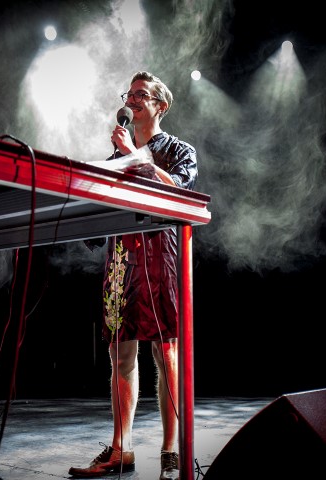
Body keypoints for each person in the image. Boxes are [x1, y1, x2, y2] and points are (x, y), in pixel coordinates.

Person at [68, 71, 198, 480]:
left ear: (161, 105)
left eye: (142, 94)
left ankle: (171, 451)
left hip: (162, 257)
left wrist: (135, 156)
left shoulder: (178, 150)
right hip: (121, 260)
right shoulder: (116, 158)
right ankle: (121, 449)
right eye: (130, 94)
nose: (132, 100)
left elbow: (180, 191)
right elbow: (97, 210)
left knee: (166, 352)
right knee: (120, 354)